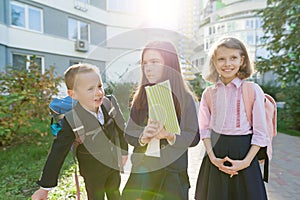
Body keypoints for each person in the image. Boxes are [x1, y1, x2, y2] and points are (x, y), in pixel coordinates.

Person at [31, 63, 128, 200]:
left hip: (113, 164)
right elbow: (58, 152)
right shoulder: (72, 119)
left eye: (99, 86)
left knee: (115, 193)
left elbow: (121, 127)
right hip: (92, 172)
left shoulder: (109, 102)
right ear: (73, 94)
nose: (98, 93)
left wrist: (124, 152)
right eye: (90, 89)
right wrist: (44, 188)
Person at [122, 41, 200, 200]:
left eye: (155, 62)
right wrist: (143, 136)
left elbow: (194, 137)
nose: (148, 68)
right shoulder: (140, 98)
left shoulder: (185, 99)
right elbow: (129, 134)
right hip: (142, 173)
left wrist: (170, 136)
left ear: (170, 64)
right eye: (144, 63)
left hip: (172, 175)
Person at [195, 37, 269, 200]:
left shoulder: (252, 89)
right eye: (221, 59)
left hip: (245, 154)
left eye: (233, 58)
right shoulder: (209, 94)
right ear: (214, 62)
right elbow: (204, 129)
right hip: (215, 154)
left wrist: (246, 162)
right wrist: (213, 158)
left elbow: (261, 132)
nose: (227, 63)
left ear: (242, 60)